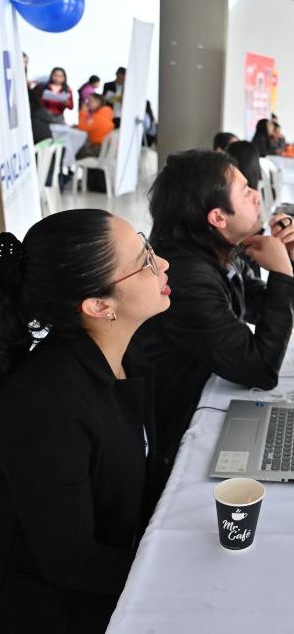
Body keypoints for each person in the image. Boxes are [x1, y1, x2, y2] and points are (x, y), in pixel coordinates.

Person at [0, 209, 170, 633]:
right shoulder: (47, 404)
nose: (162, 263)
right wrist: (174, 570)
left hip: (117, 581)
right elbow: (71, 561)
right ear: (98, 305)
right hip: (64, 612)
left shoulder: (124, 356)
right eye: (145, 260)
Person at [132, 150, 294, 490]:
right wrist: (283, 273)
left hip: (202, 395)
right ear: (217, 217)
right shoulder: (185, 275)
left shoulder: (212, 247)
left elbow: (254, 302)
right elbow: (259, 369)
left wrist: (291, 260)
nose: (257, 195)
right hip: (172, 430)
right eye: (245, 191)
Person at [76, 93, 115, 159]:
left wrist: (83, 111)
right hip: (102, 148)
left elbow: (82, 128)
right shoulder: (104, 113)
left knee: (74, 149)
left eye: (90, 101)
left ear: (98, 101)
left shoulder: (101, 114)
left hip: (99, 148)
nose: (88, 103)